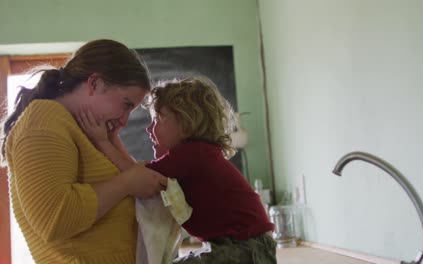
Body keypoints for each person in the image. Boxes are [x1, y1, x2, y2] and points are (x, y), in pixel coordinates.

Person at [0, 39, 167, 264]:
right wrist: (125, 183)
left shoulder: (86, 130)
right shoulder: (43, 121)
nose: (125, 120)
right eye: (126, 104)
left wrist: (111, 140)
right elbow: (55, 219)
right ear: (95, 84)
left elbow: (142, 182)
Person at [79, 77, 277, 264]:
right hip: (244, 246)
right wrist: (112, 138)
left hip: (248, 248)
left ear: (186, 122)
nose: (149, 129)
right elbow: (136, 173)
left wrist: (102, 141)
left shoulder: (193, 153)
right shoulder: (197, 154)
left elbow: (137, 177)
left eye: (157, 120)